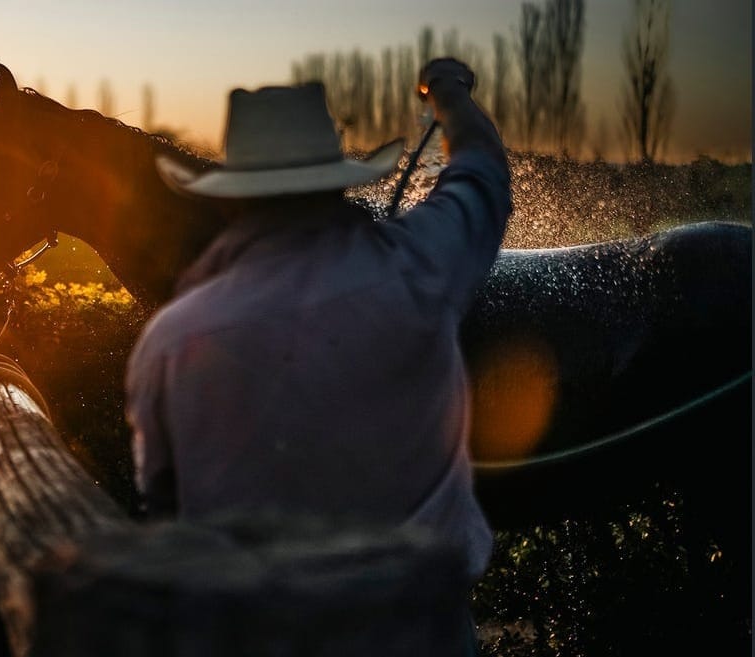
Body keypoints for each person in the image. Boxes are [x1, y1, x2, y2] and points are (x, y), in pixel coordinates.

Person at [125, 57, 510, 605]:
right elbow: (482, 172)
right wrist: (447, 94)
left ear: (231, 199)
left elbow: (164, 508)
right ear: (336, 184)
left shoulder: (166, 342)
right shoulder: (422, 268)